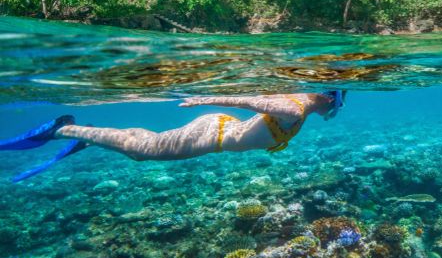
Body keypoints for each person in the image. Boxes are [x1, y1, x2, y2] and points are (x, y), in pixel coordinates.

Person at [0, 91, 346, 183]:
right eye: (340, 102)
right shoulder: (296, 109)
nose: (337, 111)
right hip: (216, 135)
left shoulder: (298, 105)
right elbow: (252, 101)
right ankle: (62, 129)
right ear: (330, 98)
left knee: (145, 147)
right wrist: (207, 98)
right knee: (148, 150)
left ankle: (93, 137)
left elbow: (257, 104)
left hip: (221, 131)